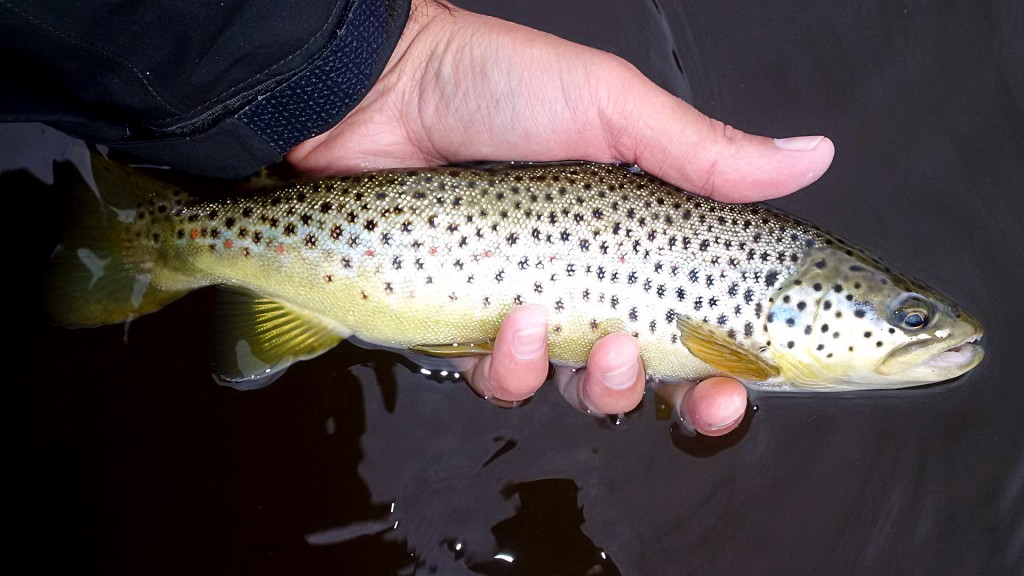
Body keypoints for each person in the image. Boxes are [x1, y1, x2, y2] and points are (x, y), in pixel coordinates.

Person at [0, 0, 834, 436]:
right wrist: (386, 66)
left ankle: (175, 239)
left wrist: (378, 62)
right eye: (906, 316)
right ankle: (167, 243)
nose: (926, 332)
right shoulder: (750, 350)